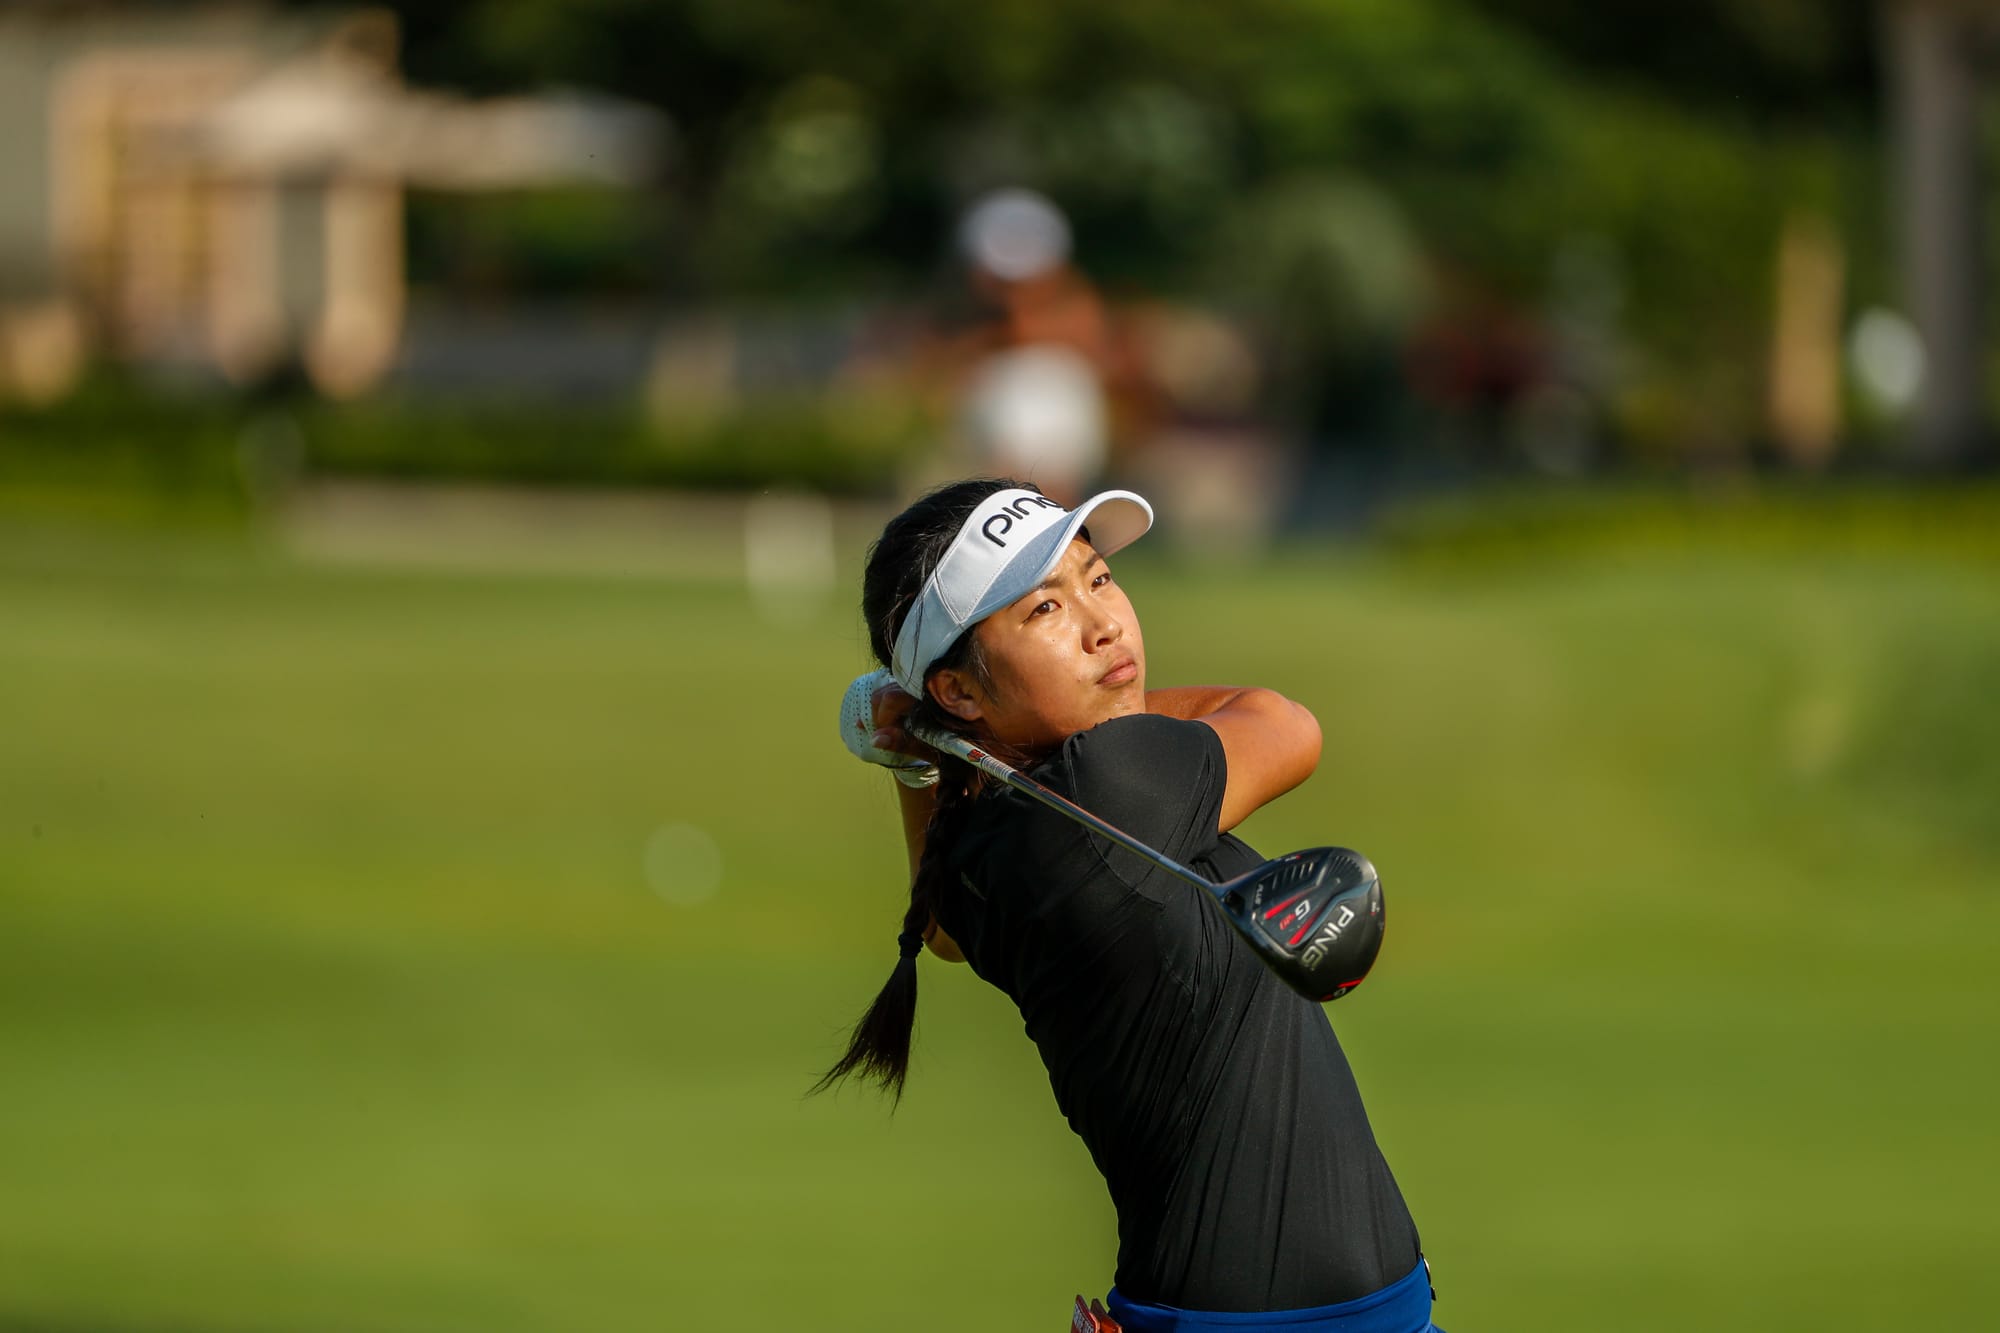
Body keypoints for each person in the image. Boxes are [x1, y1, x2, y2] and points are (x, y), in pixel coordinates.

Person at [822, 478, 1443, 1333]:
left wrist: (925, 754)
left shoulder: (979, 846)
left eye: (1100, 578)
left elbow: (943, 934)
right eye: (1044, 610)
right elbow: (1284, 722)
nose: (1104, 622)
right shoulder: (1111, 787)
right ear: (960, 689)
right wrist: (930, 744)